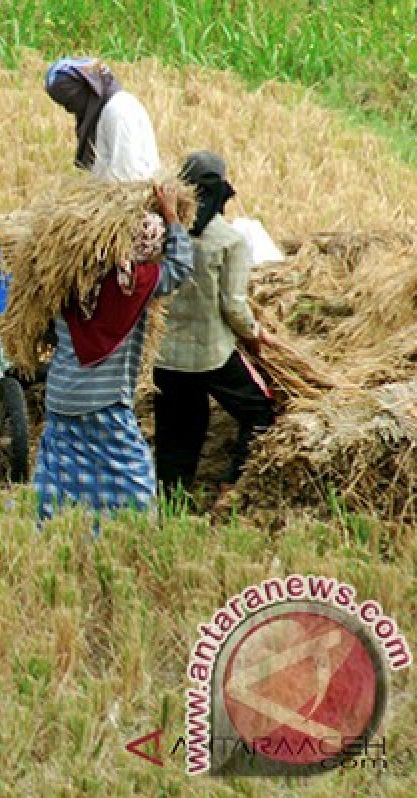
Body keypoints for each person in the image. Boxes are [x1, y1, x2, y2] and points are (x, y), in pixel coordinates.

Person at [33, 184, 194, 520]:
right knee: (133, 478)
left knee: (64, 480)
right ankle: (132, 531)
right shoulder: (131, 285)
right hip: (102, 401)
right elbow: (180, 267)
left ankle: (56, 532)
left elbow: (45, 329)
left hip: (61, 396)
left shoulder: (68, 281)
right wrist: (172, 217)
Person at [153, 151, 277, 497]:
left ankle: (169, 500)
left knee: (178, 432)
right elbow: (233, 306)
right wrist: (257, 336)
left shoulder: (161, 233)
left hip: (166, 358)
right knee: (259, 412)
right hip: (211, 355)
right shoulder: (229, 241)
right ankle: (231, 483)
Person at [45, 57, 161, 182]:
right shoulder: (104, 110)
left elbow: (128, 176)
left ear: (87, 88)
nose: (68, 109)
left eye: (69, 101)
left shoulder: (118, 112)